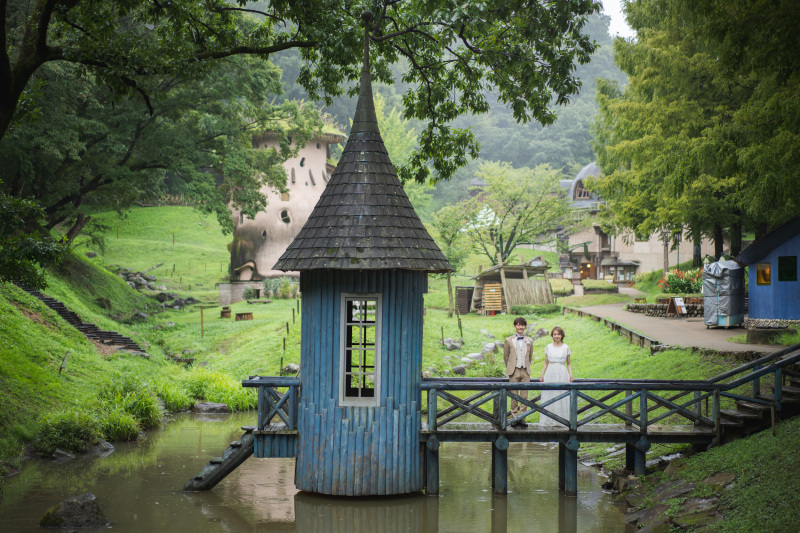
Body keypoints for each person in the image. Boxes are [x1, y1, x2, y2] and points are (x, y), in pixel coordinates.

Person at [538, 326, 574, 427]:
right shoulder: (549, 346)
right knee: (549, 394)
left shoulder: (566, 347)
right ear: (552, 336)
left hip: (562, 372)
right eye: (555, 334)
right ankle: (549, 420)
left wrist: (571, 374)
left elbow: (569, 363)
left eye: (558, 334)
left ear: (562, 335)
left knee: (562, 394)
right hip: (550, 372)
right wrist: (542, 374)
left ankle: (562, 420)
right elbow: (546, 362)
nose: (556, 336)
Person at [503, 316, 533, 428]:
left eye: (522, 325)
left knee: (524, 396)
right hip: (514, 371)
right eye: (518, 325)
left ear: (525, 326)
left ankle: (522, 418)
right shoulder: (508, 340)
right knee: (514, 395)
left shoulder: (529, 340)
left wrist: (526, 366)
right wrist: (511, 367)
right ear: (515, 326)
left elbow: (530, 356)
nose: (520, 327)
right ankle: (514, 418)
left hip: (525, 371)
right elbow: (505, 356)